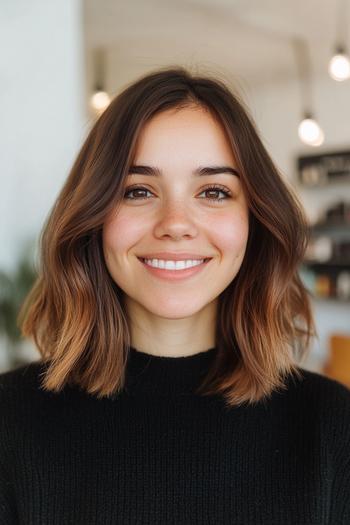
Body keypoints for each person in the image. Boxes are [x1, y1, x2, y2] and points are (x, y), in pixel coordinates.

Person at [1, 66, 349, 524]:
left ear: (255, 219)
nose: (176, 223)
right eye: (139, 190)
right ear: (94, 216)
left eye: (214, 191)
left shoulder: (332, 427)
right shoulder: (9, 424)